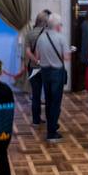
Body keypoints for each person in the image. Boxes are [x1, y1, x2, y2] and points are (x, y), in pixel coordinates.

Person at [34, 14, 70, 142]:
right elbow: (66, 58)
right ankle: (52, 132)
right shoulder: (61, 38)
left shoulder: (41, 38)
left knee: (48, 101)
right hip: (57, 72)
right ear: (58, 26)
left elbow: (37, 57)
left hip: (44, 72)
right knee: (55, 102)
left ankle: (52, 125)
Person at [24, 10, 51, 125]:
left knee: (36, 94)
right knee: (49, 93)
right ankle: (51, 120)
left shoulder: (29, 33)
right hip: (46, 67)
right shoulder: (48, 33)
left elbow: (27, 52)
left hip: (33, 67)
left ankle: (36, 119)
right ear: (45, 22)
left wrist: (36, 60)